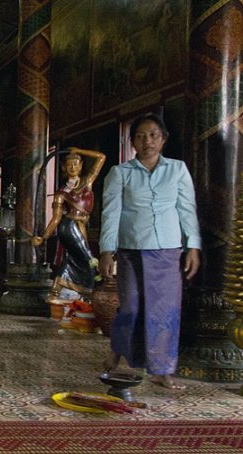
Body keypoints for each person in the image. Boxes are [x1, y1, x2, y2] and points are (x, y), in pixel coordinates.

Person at [98, 113, 201, 390]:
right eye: (141, 136)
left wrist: (193, 246)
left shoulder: (177, 170)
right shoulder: (120, 173)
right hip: (131, 250)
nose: (148, 141)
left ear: (164, 139)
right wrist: (107, 250)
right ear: (132, 142)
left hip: (168, 251)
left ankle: (162, 370)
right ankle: (117, 349)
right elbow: (111, 214)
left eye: (154, 135)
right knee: (130, 306)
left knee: (164, 311)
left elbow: (186, 210)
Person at [32, 147, 106, 300]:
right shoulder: (61, 193)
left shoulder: (87, 182)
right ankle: (89, 295)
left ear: (81, 165)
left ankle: (56, 290)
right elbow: (56, 218)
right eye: (69, 164)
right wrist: (44, 237)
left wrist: (80, 150)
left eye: (76, 163)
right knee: (89, 261)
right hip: (68, 226)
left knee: (72, 259)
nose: (73, 167)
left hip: (81, 227)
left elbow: (101, 157)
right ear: (64, 168)